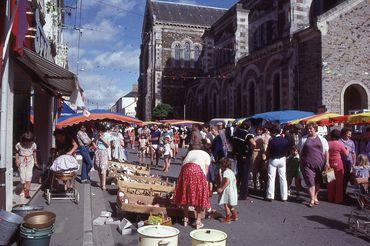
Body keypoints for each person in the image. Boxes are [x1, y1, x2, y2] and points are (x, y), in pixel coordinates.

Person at [173, 145, 210, 229]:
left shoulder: (191, 152)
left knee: (185, 193)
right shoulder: (207, 155)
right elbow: (205, 171)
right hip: (197, 171)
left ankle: (185, 218)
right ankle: (198, 221)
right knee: (200, 196)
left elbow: (183, 164)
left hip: (186, 170)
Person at [298, 123, 329, 207]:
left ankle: (315, 196)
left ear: (315, 129)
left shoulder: (322, 139)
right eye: (308, 129)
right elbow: (299, 150)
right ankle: (312, 199)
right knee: (310, 181)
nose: (309, 130)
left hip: (320, 163)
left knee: (318, 181)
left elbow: (326, 151)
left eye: (311, 128)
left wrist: (327, 162)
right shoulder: (304, 139)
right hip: (307, 164)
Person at [265, 124, 289, 202]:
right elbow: (287, 151)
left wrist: (266, 157)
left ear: (274, 132)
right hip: (282, 159)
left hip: (273, 159)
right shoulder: (285, 140)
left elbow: (268, 151)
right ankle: (284, 196)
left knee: (271, 178)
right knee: (283, 178)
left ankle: (270, 195)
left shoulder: (272, 140)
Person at [233, 120, 255, 200]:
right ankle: (243, 195)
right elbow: (253, 143)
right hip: (245, 157)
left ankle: (234, 191)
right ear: (248, 127)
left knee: (239, 174)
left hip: (238, 156)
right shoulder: (247, 135)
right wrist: (251, 149)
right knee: (245, 176)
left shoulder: (236, 133)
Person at [327, 129, 349, 204]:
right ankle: (338, 199)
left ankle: (330, 197)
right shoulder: (340, 144)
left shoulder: (328, 143)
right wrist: (347, 149)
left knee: (330, 181)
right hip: (338, 163)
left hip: (329, 163)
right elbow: (346, 154)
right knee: (339, 182)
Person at [15, 132, 38, 199]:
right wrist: (16, 160)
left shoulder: (33, 144)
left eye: (29, 141)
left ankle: (27, 190)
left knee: (29, 175)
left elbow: (34, 152)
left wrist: (36, 161)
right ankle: (23, 188)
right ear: (23, 139)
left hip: (30, 160)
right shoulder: (19, 145)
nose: (28, 143)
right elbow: (16, 152)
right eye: (26, 141)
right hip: (22, 160)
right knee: (22, 177)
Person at [217, 157, 238, 223]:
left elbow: (227, 181)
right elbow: (235, 180)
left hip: (227, 191)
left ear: (222, 165)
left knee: (226, 204)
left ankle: (228, 218)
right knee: (230, 205)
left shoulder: (225, 172)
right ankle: (234, 216)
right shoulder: (231, 171)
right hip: (232, 190)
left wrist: (221, 188)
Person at [340, 127, 356, 199]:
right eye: (348, 134)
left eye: (350, 134)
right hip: (341, 162)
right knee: (341, 178)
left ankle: (343, 192)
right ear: (344, 133)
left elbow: (353, 153)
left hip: (349, 162)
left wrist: (354, 163)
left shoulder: (351, 142)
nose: (350, 135)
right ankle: (340, 193)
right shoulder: (339, 141)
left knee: (346, 178)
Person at [94, 125, 111, 190]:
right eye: (99, 131)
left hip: (104, 152)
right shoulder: (97, 135)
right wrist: (95, 146)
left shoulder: (107, 136)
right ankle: (101, 182)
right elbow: (93, 142)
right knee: (98, 168)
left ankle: (103, 185)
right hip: (98, 152)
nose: (99, 132)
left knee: (103, 168)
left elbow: (108, 145)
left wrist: (102, 139)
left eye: (100, 131)